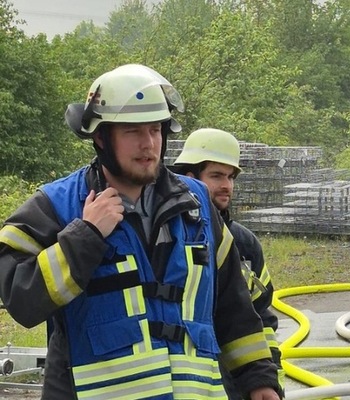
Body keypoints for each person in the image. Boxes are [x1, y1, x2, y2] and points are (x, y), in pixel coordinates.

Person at [0, 64, 281, 400]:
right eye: (132, 131)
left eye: (155, 129)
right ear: (101, 137)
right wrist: (86, 235)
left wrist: (258, 379)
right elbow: (21, 300)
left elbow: (233, 305)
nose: (148, 144)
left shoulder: (197, 204)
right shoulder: (56, 206)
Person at [170, 128, 284, 399]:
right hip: (188, 382)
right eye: (217, 176)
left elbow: (260, 314)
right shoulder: (170, 238)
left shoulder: (244, 243)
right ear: (190, 178)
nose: (227, 186)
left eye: (231, 177)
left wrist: (268, 378)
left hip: (238, 384)